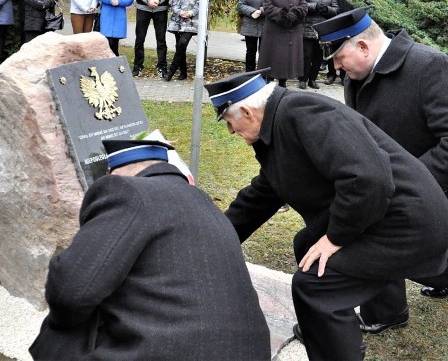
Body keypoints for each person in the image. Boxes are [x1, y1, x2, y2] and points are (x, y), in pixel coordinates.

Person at [203, 70, 448, 361]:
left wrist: (336, 237)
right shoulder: (277, 124)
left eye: (229, 122)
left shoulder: (306, 114)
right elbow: (263, 194)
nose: (231, 131)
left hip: (410, 223)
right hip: (385, 215)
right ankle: (325, 330)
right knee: (308, 245)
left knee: (315, 286)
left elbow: (369, 178)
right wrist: (216, 239)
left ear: (246, 110)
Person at [314, 7, 448, 335]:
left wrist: (407, 185)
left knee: (379, 234)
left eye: (338, 58)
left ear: (364, 47)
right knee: (378, 223)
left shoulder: (430, 66)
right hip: (403, 178)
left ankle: (387, 311)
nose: (335, 67)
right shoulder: (360, 76)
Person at [29, 139, 271, 360]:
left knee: (61, 335)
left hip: (172, 352)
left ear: (115, 173)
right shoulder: (201, 199)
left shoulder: (126, 190)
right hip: (251, 351)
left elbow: (71, 290)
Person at [257, 0, 307, 87]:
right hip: (275, 30)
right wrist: (284, 14)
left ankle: (283, 82)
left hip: (292, 30)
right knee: (273, 57)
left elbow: (304, 6)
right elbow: (268, 8)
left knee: (286, 59)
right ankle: (268, 82)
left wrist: (295, 14)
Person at [164, 0, 201, 81]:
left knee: (182, 43)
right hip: (178, 18)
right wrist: (178, 11)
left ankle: (171, 72)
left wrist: (192, 12)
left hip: (192, 20)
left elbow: (202, 1)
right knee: (179, 45)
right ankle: (183, 72)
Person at [299, 0, 337, 89]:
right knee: (307, 55)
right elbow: (302, 5)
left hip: (323, 30)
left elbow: (336, 9)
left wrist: (327, 9)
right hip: (309, 28)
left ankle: (312, 79)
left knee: (318, 57)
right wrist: (315, 6)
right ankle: (303, 79)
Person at [237, 0, 268, 72]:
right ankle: (249, 74)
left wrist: (261, 11)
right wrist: (252, 12)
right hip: (250, 23)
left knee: (264, 52)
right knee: (250, 51)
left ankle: (262, 74)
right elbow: (241, 5)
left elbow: (272, 5)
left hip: (265, 24)